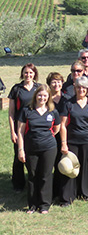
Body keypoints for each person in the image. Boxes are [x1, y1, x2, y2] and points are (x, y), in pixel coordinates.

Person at [16, 85, 60, 213]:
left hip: (49, 148)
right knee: (33, 175)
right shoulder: (27, 110)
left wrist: (47, 137)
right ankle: (33, 205)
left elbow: (56, 128)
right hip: (31, 147)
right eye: (40, 95)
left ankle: (45, 204)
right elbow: (20, 131)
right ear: (35, 96)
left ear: (48, 97)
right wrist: (20, 149)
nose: (42, 98)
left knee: (45, 175)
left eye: (45, 95)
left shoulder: (53, 112)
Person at [59, 76, 88, 206]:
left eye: (83, 87)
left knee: (86, 167)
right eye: (78, 87)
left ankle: (85, 193)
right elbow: (63, 125)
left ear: (87, 89)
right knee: (69, 169)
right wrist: (64, 143)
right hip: (72, 140)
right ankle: (67, 197)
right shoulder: (68, 103)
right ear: (75, 88)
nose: (81, 90)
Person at [8, 63, 40, 192]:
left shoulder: (39, 88)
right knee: (18, 156)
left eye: (31, 73)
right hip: (19, 127)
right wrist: (12, 131)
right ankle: (18, 184)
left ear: (34, 74)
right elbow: (11, 113)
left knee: (33, 155)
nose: (28, 75)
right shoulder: (16, 89)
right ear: (23, 74)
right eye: (26, 72)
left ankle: (35, 181)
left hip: (33, 127)